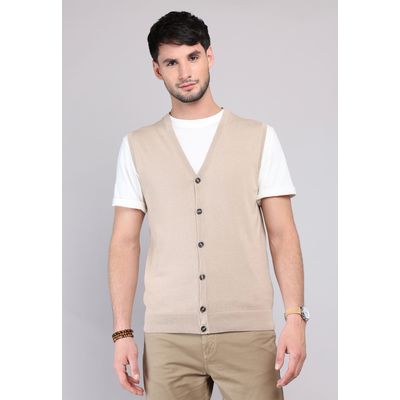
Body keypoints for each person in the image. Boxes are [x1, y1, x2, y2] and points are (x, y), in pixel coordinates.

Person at [108, 10, 309, 400]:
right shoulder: (137, 146)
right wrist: (122, 333)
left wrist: (295, 318)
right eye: (171, 62)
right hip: (168, 338)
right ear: (157, 70)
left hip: (247, 333)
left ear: (210, 56)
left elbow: (283, 234)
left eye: (193, 56)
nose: (185, 71)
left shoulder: (259, 137)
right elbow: (124, 242)